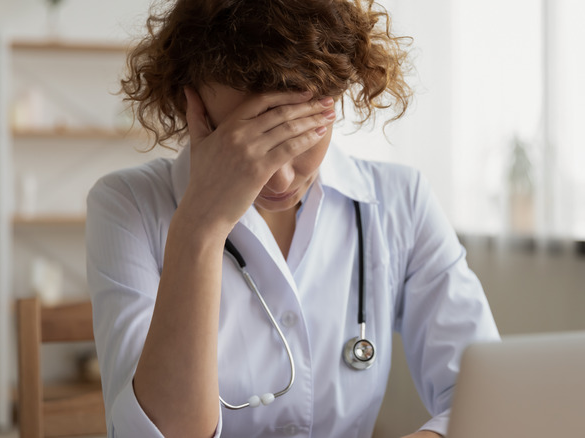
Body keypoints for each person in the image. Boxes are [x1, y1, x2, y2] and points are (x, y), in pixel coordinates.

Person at [86, 0, 500, 437]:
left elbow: (489, 397)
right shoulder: (126, 205)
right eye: (245, 142)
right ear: (194, 108)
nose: (280, 177)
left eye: (299, 134)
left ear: (336, 95)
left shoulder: (401, 202)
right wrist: (200, 227)